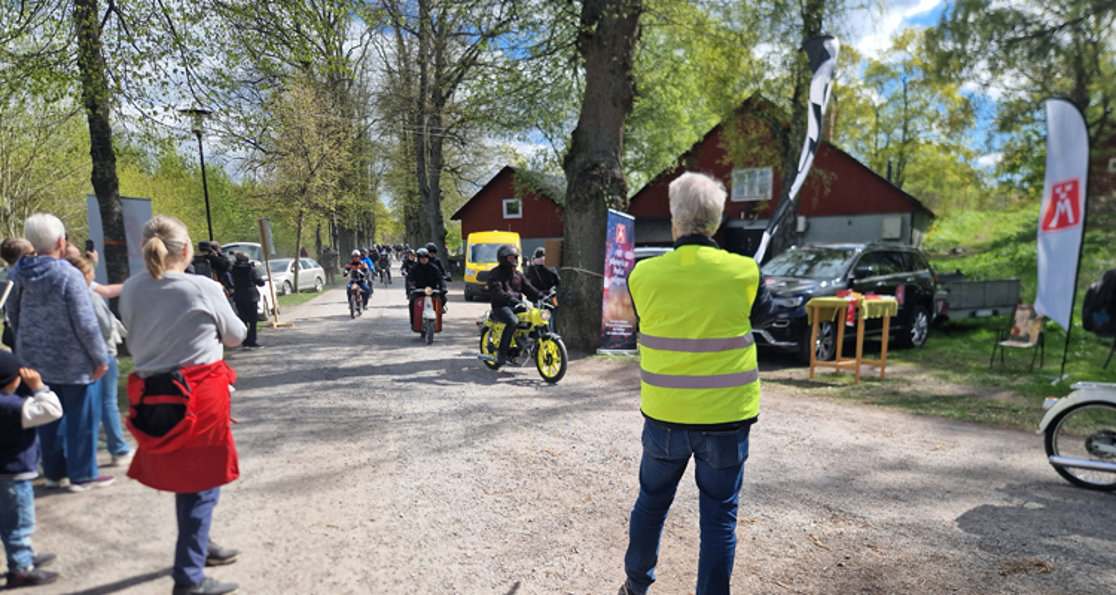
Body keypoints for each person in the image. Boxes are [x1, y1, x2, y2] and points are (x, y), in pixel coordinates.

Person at [618, 172, 774, 595]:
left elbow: (640, 321)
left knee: (651, 504)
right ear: (717, 222)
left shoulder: (642, 275)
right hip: (726, 419)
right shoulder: (745, 272)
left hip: (665, 416)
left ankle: (635, 585)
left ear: (674, 221)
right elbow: (763, 318)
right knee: (720, 519)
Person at [119, 215, 245, 595]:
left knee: (189, 479)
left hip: (152, 394)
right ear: (187, 250)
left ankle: (200, 542)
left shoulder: (130, 288)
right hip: (197, 396)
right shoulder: (202, 287)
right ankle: (189, 577)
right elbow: (237, 336)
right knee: (201, 483)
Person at [7, 213, 111, 492]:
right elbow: (85, 322)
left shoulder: (16, 273)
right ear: (60, 241)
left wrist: (25, 343)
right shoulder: (69, 274)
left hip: (33, 359)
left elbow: (13, 315)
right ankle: (82, 474)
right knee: (81, 419)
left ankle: (54, 473)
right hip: (74, 360)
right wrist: (100, 357)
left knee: (47, 418)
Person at [0, 357, 62, 588]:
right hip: (13, 475)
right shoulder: (13, 407)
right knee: (18, 523)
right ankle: (20, 570)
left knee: (9, 520)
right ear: (12, 380)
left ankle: (25, 554)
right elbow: (52, 411)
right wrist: (39, 387)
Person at [66, 255, 133, 468]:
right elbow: (104, 326)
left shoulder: (65, 296)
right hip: (103, 353)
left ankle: (82, 453)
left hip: (78, 356)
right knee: (108, 402)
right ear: (85, 275)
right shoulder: (91, 297)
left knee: (85, 405)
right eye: (91, 272)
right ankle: (118, 448)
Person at [485, 244, 542, 366]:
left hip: (517, 306)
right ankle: (502, 352)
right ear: (503, 258)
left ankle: (525, 344)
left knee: (532, 319)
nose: (513, 260)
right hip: (501, 306)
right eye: (510, 258)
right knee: (513, 321)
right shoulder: (495, 274)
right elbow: (497, 291)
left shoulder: (517, 275)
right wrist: (511, 299)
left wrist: (541, 296)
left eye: (515, 258)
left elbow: (528, 288)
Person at [230, 253, 266, 348]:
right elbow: (260, 282)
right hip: (251, 296)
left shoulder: (233, 270)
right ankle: (252, 340)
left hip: (239, 296)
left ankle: (245, 341)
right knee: (253, 320)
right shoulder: (250, 269)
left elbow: (230, 281)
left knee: (243, 319)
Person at [408, 248, 447, 329]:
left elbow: (440, 278)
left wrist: (442, 287)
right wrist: (411, 287)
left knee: (442, 299)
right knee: (412, 303)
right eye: (421, 257)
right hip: (419, 291)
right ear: (418, 258)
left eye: (426, 257)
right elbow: (409, 279)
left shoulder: (434, 268)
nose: (424, 259)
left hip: (432, 291)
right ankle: (413, 322)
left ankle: (438, 318)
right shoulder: (414, 268)